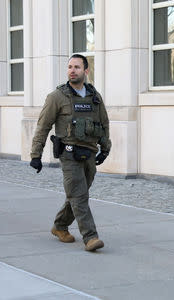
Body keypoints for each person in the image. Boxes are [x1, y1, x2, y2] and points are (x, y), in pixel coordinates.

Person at [29, 54, 111, 252]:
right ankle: (90, 237)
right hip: (68, 153)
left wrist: (105, 148)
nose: (72, 70)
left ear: (86, 71)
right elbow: (43, 126)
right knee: (79, 195)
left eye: (76, 67)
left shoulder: (94, 97)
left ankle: (59, 226)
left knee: (76, 195)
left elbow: (104, 124)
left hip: (90, 153)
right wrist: (35, 155)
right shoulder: (57, 97)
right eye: (69, 67)